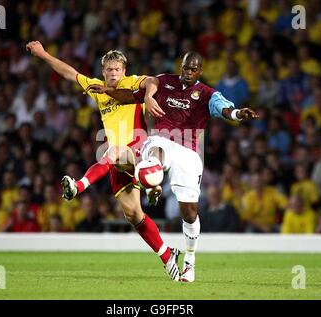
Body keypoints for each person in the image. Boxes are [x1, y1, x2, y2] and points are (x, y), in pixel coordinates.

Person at [87, 51, 259, 282]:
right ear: (181, 66)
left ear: (200, 71)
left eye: (193, 69)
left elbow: (226, 109)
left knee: (189, 212)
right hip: (161, 141)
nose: (188, 73)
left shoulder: (208, 94)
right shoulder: (164, 82)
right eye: (185, 67)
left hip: (188, 152)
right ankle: (152, 184)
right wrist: (109, 90)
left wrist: (238, 113)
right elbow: (130, 96)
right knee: (153, 150)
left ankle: (189, 261)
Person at [26, 41, 180, 281]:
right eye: (109, 69)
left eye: (117, 69)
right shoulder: (97, 88)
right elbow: (70, 73)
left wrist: (148, 96)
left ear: (124, 70)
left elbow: (153, 81)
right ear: (103, 72)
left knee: (113, 149)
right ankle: (168, 255)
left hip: (136, 149)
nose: (113, 74)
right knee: (133, 215)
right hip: (116, 161)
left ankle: (78, 187)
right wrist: (43, 54)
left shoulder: (132, 83)